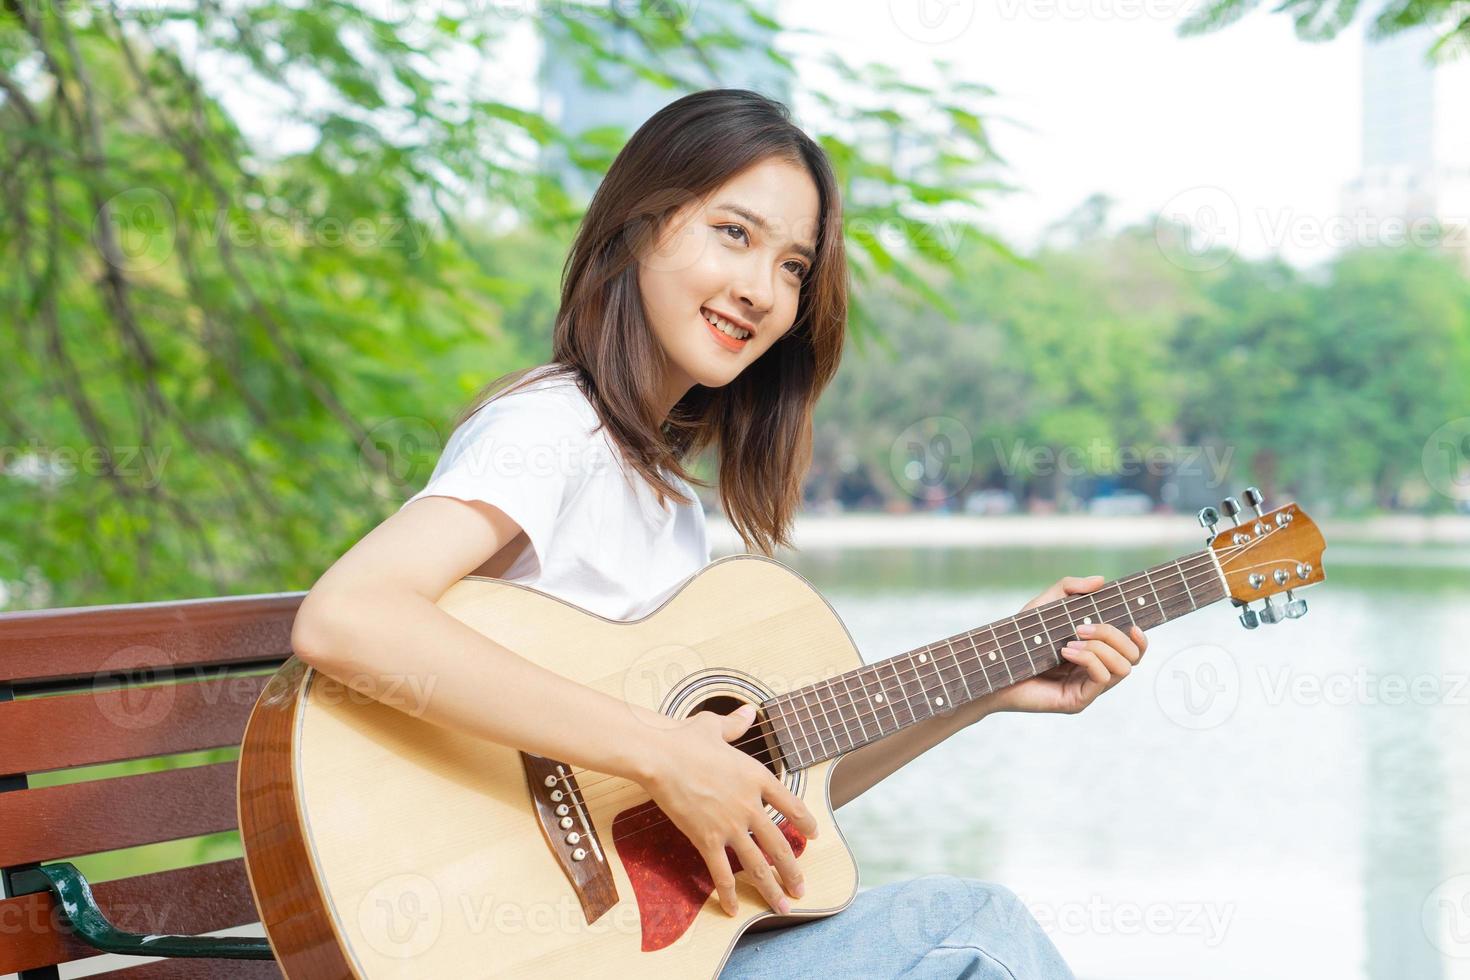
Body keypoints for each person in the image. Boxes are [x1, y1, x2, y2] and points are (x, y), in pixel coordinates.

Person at [291, 88, 1148, 979]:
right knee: (971, 929)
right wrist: (662, 751)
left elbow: (771, 794)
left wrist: (991, 682)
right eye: (734, 234)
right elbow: (348, 616)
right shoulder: (554, 430)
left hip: (629, 952)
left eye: (792, 268)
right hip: (501, 947)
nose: (761, 291)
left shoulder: (661, 497)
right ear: (636, 228)